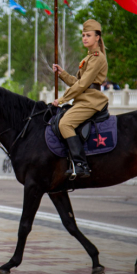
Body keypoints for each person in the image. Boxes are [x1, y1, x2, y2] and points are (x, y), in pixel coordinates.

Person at [52, 19, 108, 178]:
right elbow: (78, 82)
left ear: (97, 37)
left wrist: (62, 100)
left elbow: (83, 84)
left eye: (88, 35)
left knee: (65, 124)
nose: (85, 38)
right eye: (83, 35)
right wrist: (62, 73)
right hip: (84, 99)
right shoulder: (89, 57)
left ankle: (81, 164)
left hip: (91, 101)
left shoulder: (97, 57)